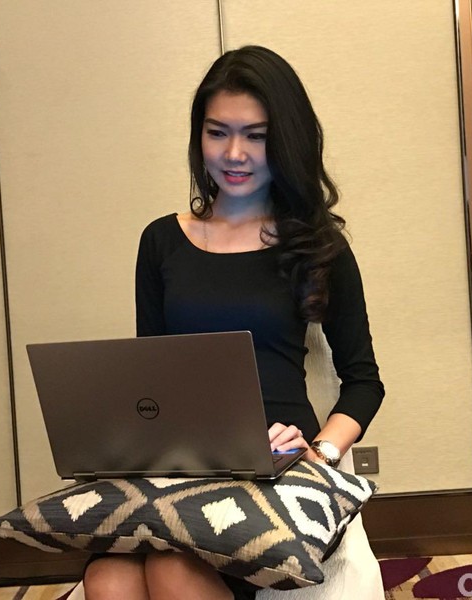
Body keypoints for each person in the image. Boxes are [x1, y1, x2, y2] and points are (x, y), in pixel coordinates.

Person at [84, 45, 385, 600]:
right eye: (217, 132)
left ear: (286, 141)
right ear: (198, 136)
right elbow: (150, 379)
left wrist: (319, 455)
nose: (235, 153)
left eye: (256, 135)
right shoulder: (161, 241)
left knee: (172, 571)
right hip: (181, 466)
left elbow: (364, 382)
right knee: (108, 576)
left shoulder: (318, 246)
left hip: (280, 467)